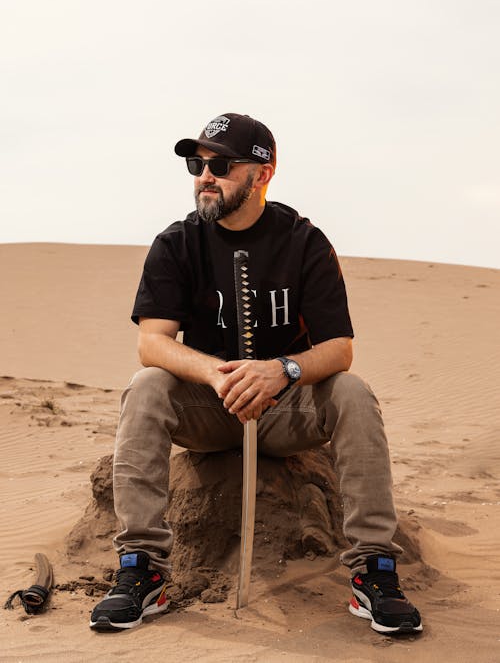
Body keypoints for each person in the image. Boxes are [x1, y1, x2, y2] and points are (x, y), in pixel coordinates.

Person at [90, 112, 423, 635]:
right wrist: (216, 375)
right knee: (147, 387)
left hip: (283, 412)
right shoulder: (177, 243)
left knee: (353, 393)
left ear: (261, 174)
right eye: (196, 164)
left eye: (220, 165)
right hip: (209, 408)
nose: (205, 175)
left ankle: (373, 570)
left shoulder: (303, 242)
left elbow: (339, 350)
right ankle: (142, 568)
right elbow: (151, 342)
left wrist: (282, 371)